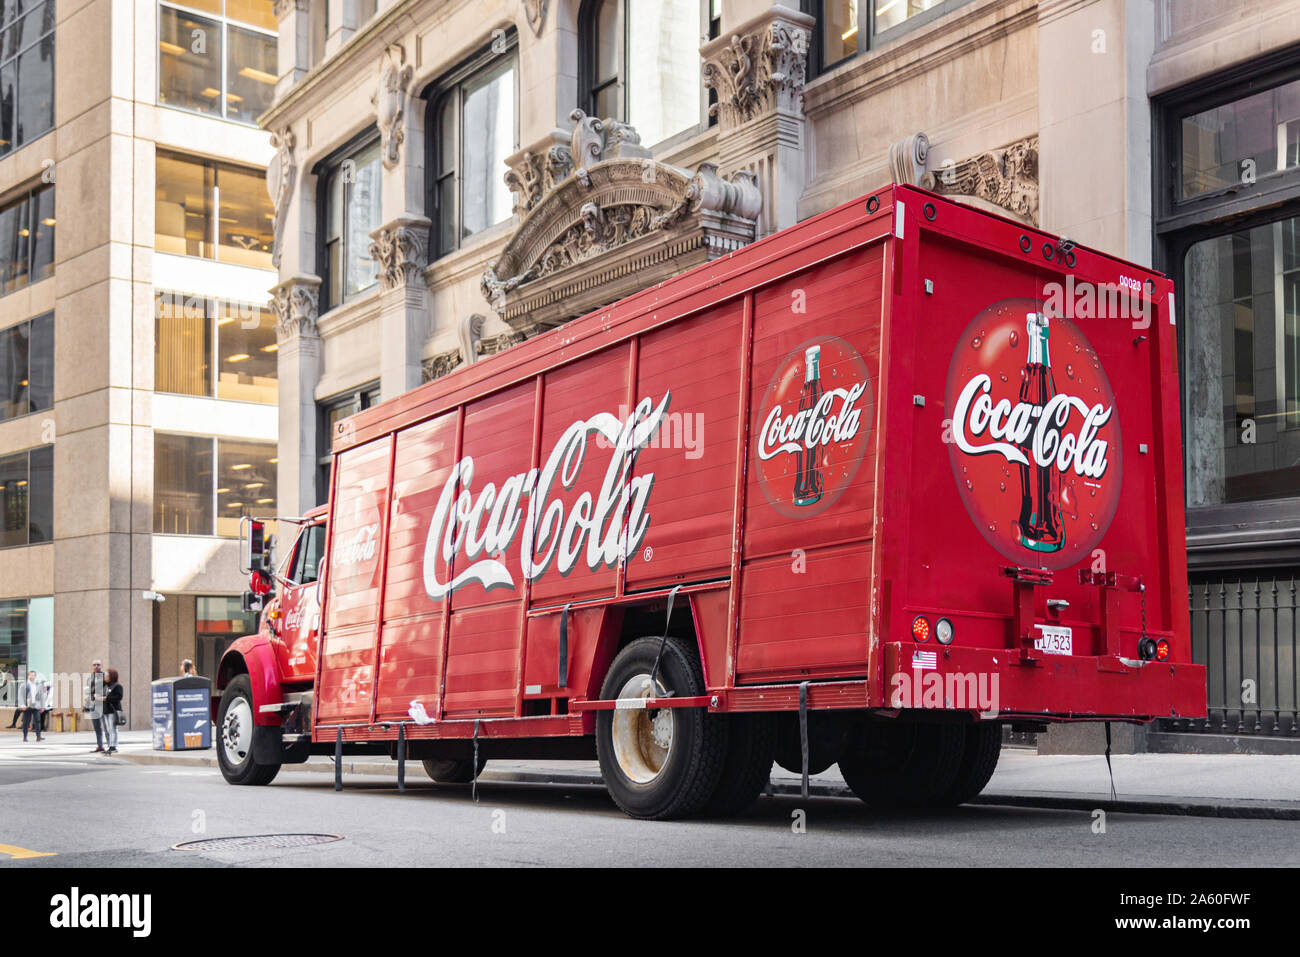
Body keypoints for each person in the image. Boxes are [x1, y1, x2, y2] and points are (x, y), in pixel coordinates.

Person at [101, 668, 123, 755]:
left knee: (112, 728)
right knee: (108, 729)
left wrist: (107, 698)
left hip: (113, 711)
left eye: (107, 675)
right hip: (106, 710)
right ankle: (110, 745)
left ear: (111, 676)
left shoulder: (117, 686)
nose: (105, 676)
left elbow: (119, 697)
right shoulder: (107, 686)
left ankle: (113, 746)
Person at [84, 660, 105, 753]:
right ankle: (100, 745)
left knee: (107, 726)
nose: (96, 666)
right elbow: (87, 691)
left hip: (103, 705)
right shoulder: (90, 678)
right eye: (94, 665)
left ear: (101, 666)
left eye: (98, 664)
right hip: (93, 705)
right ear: (92, 666)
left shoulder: (105, 676)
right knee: (97, 727)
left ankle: (111, 745)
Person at [20, 671, 44, 742]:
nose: (32, 677)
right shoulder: (24, 685)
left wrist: (43, 706)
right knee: (26, 722)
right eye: (30, 675)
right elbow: (21, 696)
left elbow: (42, 696)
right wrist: (22, 705)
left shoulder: (38, 685)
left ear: (35, 676)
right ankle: (25, 737)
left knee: (37, 721)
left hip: (36, 706)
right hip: (27, 706)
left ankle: (38, 736)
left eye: (33, 675)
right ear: (28, 676)